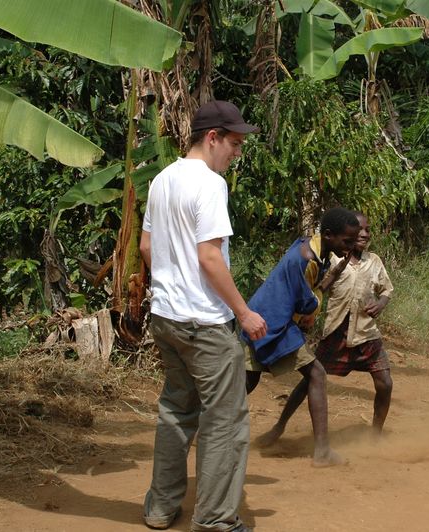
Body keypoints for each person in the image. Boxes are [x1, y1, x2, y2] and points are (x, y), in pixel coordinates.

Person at [139, 100, 267, 532]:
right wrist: (245, 313)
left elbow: (145, 248)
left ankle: (160, 508)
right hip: (205, 325)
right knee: (226, 420)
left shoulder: (161, 180)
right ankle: (214, 519)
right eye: (234, 143)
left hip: (166, 319)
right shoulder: (210, 185)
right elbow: (210, 258)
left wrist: (171, 286)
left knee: (176, 410)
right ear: (212, 138)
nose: (237, 153)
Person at [254, 212, 394, 445]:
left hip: (367, 334)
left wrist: (380, 303)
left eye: (367, 230)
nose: (364, 235)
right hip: (337, 333)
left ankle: (375, 434)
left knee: (385, 383)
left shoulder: (373, 261)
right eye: (358, 231)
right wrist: (307, 314)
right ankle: (282, 427)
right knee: (310, 380)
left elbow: (387, 290)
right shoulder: (330, 259)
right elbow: (314, 290)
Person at [244, 207, 361, 467]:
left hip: (263, 318)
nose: (351, 247)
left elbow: (309, 293)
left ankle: (200, 426)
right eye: (347, 241)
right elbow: (305, 302)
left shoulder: (315, 252)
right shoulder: (307, 259)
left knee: (246, 382)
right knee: (316, 374)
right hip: (274, 323)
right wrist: (322, 293)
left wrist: (331, 277)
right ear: (329, 235)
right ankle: (322, 452)